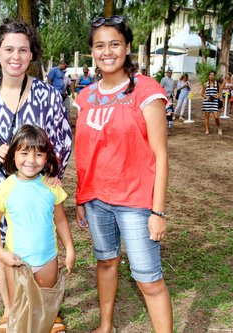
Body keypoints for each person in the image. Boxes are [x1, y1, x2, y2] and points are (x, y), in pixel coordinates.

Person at [0, 18, 72, 333]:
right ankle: (11, 310)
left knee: (41, 244)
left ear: (32, 55)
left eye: (23, 49)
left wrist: (52, 175)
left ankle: (48, 309)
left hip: (37, 188)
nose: (15, 56)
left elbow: (62, 140)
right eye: (8, 49)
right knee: (7, 251)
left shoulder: (48, 95)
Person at [74, 15, 173, 333]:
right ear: (92, 51)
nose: (107, 51)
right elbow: (85, 153)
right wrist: (80, 197)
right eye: (99, 45)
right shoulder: (85, 97)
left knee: (148, 279)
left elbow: (160, 155)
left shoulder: (146, 90)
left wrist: (157, 211)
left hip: (135, 203)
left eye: (115, 44)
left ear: (127, 47)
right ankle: (106, 327)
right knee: (106, 263)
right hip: (96, 200)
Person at [0, 124, 75, 333]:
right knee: (21, 309)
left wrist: (69, 251)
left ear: (46, 158)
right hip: (18, 263)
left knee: (43, 306)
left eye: (38, 154)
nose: (31, 161)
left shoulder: (51, 186)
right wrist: (1, 253)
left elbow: (61, 221)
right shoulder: (5, 189)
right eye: (24, 153)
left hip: (47, 261)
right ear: (13, 155)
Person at [201, 70, 222, 135]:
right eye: (210, 75)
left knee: (216, 116)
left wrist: (217, 96)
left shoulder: (217, 83)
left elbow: (220, 92)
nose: (211, 76)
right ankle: (207, 129)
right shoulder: (205, 84)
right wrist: (206, 97)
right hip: (207, 102)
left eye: (213, 75)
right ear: (208, 76)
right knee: (207, 116)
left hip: (214, 101)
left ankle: (219, 128)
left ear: (214, 76)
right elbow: (202, 93)